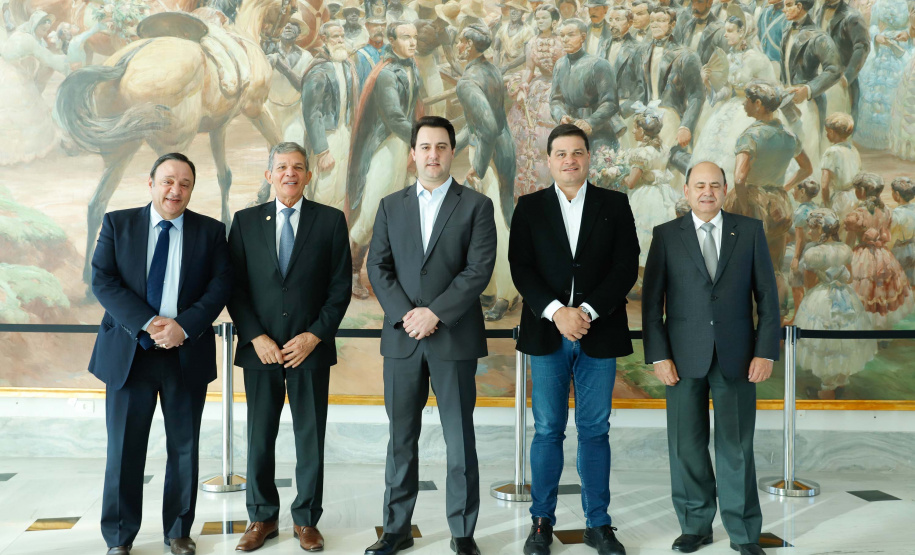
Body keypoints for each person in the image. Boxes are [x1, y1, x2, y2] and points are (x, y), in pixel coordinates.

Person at [363, 116, 495, 555]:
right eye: (425, 146)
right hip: (403, 341)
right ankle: (395, 531)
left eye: (441, 146)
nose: (432, 154)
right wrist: (408, 316)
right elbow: (377, 270)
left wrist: (434, 313)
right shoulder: (389, 205)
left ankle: (462, 533)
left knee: (459, 438)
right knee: (401, 439)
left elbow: (478, 271)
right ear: (412, 154)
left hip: (453, 339)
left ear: (451, 152)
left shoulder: (476, 205)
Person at [89, 153, 232, 555]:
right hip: (129, 354)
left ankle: (178, 532)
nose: (176, 190)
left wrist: (182, 326)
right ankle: (118, 538)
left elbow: (220, 287)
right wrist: (149, 322)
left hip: (185, 354)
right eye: (168, 181)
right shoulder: (118, 223)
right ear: (150, 183)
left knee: (184, 449)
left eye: (185, 183)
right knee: (123, 449)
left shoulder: (211, 231)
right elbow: (103, 280)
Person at [508, 123, 638, 555]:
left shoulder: (615, 204)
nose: (569, 160)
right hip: (546, 335)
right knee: (547, 430)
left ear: (588, 158)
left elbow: (625, 266)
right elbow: (521, 268)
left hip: (598, 333)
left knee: (594, 430)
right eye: (561, 154)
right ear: (549, 161)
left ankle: (598, 525)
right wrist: (557, 313)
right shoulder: (528, 207)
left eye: (577, 153)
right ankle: (541, 523)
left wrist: (585, 312)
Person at [642, 160, 780, 555]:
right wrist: (658, 356)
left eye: (715, 185)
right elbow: (652, 304)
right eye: (699, 185)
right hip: (682, 358)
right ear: (686, 191)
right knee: (686, 445)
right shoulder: (667, 236)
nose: (707, 192)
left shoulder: (749, 231)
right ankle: (695, 525)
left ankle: (743, 532)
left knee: (736, 446)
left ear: (725, 190)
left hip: (738, 356)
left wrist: (765, 352)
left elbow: (768, 299)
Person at [228, 142, 352, 552]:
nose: (290, 174)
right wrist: (255, 336)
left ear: (308, 175)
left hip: (309, 349)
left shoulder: (331, 221)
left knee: (310, 437)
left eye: (298, 167)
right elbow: (235, 287)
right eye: (281, 167)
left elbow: (340, 288)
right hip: (259, 350)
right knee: (259, 437)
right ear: (269, 175)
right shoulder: (245, 222)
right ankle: (261, 517)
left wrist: (315, 335)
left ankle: (306, 520)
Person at [347, 20, 420, 300]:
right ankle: (352, 272)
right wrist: (424, 140)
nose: (412, 42)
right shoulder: (388, 73)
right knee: (370, 213)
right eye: (405, 37)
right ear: (392, 40)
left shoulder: (412, 69)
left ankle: (390, 276)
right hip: (385, 147)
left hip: (403, 146)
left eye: (414, 37)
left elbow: (413, 108)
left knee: (399, 216)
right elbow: (394, 118)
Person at [454, 23, 520, 321]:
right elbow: (481, 121)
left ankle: (506, 293)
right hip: (502, 149)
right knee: (496, 220)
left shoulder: (467, 82)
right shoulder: (491, 68)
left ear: (468, 45)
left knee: (498, 225)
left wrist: (477, 168)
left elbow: (487, 127)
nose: (456, 46)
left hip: (488, 156)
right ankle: (493, 289)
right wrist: (452, 147)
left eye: (459, 41)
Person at [728, 81, 812, 288]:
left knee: (742, 261)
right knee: (773, 261)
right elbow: (807, 169)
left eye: (747, 101)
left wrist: (744, 205)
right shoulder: (789, 137)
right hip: (777, 203)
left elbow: (739, 178)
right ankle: (775, 310)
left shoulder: (750, 136)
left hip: (751, 200)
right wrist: (785, 188)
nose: (743, 105)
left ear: (758, 104)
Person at [794, 208, 877, 399]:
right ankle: (839, 381)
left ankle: (827, 389)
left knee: (827, 343)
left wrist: (815, 293)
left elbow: (809, 284)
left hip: (823, 298)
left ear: (821, 230)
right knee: (841, 340)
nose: (808, 233)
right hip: (846, 297)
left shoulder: (813, 253)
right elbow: (849, 279)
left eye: (811, 229)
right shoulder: (844, 249)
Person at [689, 12, 778, 186]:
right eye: (725, 30)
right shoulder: (728, 58)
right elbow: (726, 92)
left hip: (752, 111)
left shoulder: (758, 59)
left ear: (743, 32)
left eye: (730, 30)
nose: (725, 34)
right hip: (728, 108)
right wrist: (707, 83)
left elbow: (772, 92)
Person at [507, 4, 565, 198]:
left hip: (559, 88)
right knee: (528, 138)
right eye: (538, 19)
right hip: (538, 88)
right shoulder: (532, 42)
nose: (540, 22)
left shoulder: (561, 41)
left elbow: (566, 70)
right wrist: (523, 87)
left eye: (544, 18)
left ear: (554, 21)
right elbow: (529, 70)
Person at [844, 172, 914, 330]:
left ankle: (864, 329)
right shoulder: (887, 210)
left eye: (856, 189)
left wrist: (846, 259)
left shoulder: (858, 213)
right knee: (879, 291)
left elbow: (849, 241)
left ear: (862, 191)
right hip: (883, 255)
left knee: (865, 291)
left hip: (862, 256)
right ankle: (881, 330)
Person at [301, 22, 358, 212]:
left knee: (341, 188)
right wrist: (322, 151)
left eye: (342, 36)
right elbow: (311, 113)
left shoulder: (346, 64)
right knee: (324, 190)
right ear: (324, 39)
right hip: (326, 138)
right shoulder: (318, 70)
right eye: (335, 36)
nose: (341, 40)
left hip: (344, 133)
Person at [624, 111, 677, 294]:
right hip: (663, 195)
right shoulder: (663, 149)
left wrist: (616, 176)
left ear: (643, 131)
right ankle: (652, 284)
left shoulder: (641, 153)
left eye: (635, 128)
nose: (632, 132)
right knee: (653, 241)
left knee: (641, 239)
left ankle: (642, 286)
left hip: (645, 197)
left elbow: (631, 182)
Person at [550, 18, 623, 151]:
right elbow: (555, 100)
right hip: (570, 131)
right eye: (562, 35)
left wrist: (590, 122)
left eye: (571, 35)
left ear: (583, 37)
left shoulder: (599, 64)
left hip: (598, 132)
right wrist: (561, 116)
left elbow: (611, 103)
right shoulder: (559, 65)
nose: (565, 39)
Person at [852, 0, 909, 149]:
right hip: (882, 49)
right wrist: (877, 36)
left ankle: (894, 140)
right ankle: (874, 138)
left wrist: (907, 33)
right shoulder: (879, 3)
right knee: (874, 93)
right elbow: (873, 25)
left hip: (904, 48)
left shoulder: (909, 2)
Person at [815, 0, 869, 121]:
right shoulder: (819, 11)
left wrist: (847, 77)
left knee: (838, 129)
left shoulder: (852, 16)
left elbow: (862, 47)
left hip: (840, 83)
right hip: (820, 80)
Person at [265, 19, 314, 143]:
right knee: (275, 150)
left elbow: (303, 86)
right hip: (271, 110)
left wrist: (283, 68)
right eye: (284, 23)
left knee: (294, 145)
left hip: (294, 111)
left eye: (294, 24)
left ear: (299, 33)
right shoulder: (268, 52)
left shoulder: (306, 56)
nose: (288, 26)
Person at [786, 178, 820, 324]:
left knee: (796, 281)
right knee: (812, 286)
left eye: (795, 189)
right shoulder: (816, 207)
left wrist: (795, 258)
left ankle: (798, 318)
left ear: (802, 192)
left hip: (805, 251)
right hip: (816, 248)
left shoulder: (801, 211)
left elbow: (800, 239)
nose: (793, 192)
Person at [820, 112, 861, 227]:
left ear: (832, 132)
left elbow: (824, 185)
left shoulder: (831, 152)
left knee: (836, 230)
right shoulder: (853, 150)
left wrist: (826, 203)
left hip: (840, 200)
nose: (827, 135)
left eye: (827, 132)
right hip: (855, 197)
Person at [891, 177, 915, 288]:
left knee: (902, 283)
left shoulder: (896, 214)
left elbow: (892, 237)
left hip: (902, 251)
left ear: (896, 194)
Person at [354, 16, 388, 88]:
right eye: (375, 25)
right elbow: (358, 87)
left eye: (382, 25)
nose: (379, 29)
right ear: (367, 26)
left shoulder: (391, 50)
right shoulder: (360, 54)